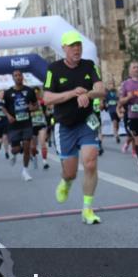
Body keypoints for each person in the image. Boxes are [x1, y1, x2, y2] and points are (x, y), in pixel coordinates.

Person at [43, 31, 106, 225]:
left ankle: (87, 209)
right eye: (72, 46)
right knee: (70, 172)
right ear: (64, 49)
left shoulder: (89, 65)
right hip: (65, 125)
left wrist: (88, 94)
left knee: (90, 162)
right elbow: (47, 99)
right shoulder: (54, 69)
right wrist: (71, 93)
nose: (76, 49)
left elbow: (101, 90)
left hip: (87, 121)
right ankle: (66, 181)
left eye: (78, 45)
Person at [3, 70, 38, 182]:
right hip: (14, 125)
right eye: (15, 76)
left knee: (27, 146)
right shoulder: (8, 93)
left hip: (26, 123)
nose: (18, 77)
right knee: (15, 149)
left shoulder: (29, 91)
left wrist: (33, 108)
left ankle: (25, 171)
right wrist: (8, 116)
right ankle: (14, 154)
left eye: (19, 75)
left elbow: (36, 105)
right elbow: (3, 107)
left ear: (22, 77)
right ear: (13, 78)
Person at [33, 87, 51, 170]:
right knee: (33, 146)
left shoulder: (42, 102)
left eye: (37, 93)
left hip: (41, 124)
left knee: (43, 143)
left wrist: (48, 111)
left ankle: (45, 161)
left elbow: (47, 112)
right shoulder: (28, 102)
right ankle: (34, 158)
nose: (36, 94)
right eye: (34, 93)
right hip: (31, 126)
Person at [104, 79, 122, 145]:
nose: (111, 85)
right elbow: (105, 101)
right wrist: (106, 104)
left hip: (117, 110)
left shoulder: (116, 92)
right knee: (114, 122)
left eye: (112, 84)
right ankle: (116, 136)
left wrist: (119, 101)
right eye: (110, 84)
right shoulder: (107, 94)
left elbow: (119, 100)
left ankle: (116, 133)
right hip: (111, 110)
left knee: (117, 124)